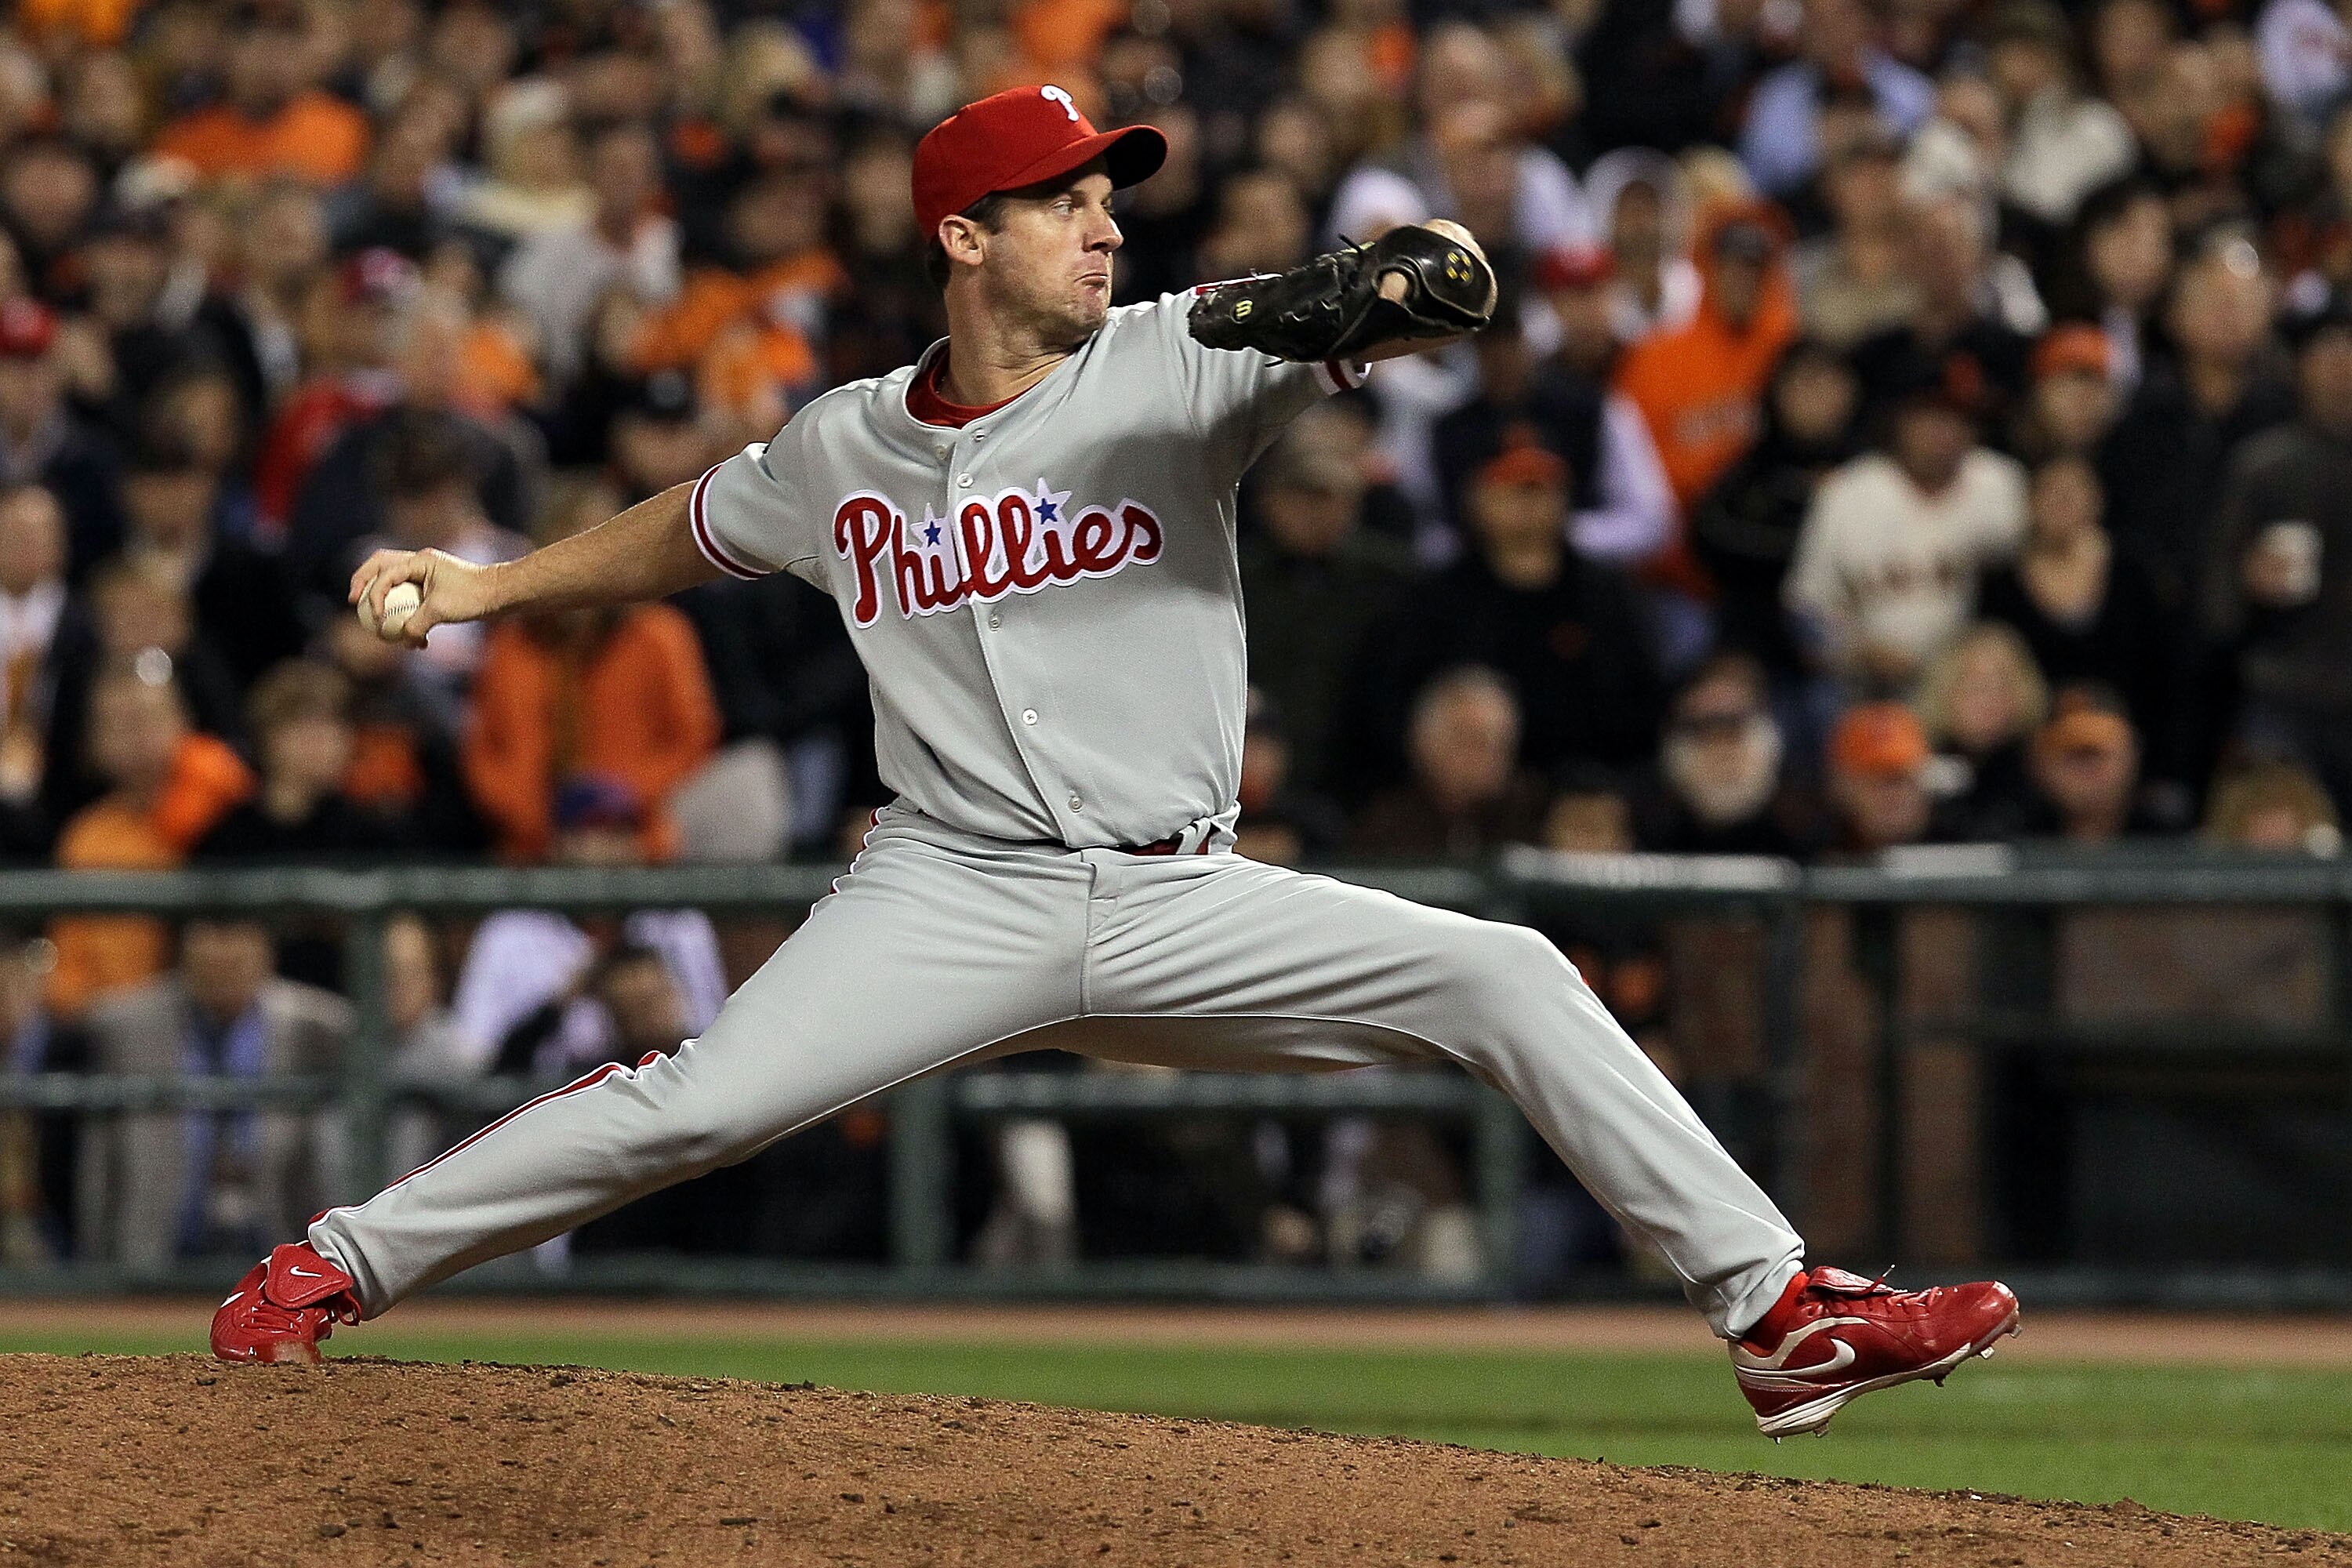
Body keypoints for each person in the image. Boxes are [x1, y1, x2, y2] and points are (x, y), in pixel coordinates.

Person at [215, 85, 2016, 1437]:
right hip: (947, 887)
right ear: (959, 237)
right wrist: (487, 585)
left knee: (1507, 972)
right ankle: (331, 1262)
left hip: (1179, 894)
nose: (1101, 228)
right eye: (1060, 203)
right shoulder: (844, 441)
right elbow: (692, 527)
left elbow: (1431, 292)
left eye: (1105, 199)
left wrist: (1376, 288)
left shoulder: (1179, 361)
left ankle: (1774, 1308)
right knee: (694, 1100)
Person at [78, 918, 350, 1272]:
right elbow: (98, 1164)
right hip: (161, 1255)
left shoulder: (321, 1029)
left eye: (237, 941)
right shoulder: (125, 1027)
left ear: (266, 953)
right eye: (212, 940)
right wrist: (96, 1265)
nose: (224, 955)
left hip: (277, 1249)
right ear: (184, 951)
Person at [2201, 300, 2352, 816]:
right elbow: (2214, 606)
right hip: (2283, 694)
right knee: (2266, 848)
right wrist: (2249, 581)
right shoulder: (2261, 468)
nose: (2342, 371)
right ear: (2300, 368)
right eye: (2327, 357)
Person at [1784, 379, 2029, 695]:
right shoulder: (1849, 492)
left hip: (1966, 687)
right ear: (1899, 423)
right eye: (1930, 418)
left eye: (1958, 420)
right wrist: (1858, 653)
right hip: (1863, 684)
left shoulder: (1999, 482)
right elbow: (1805, 609)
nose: (1944, 432)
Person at [1348, 666, 1552, 859]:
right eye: (1469, 739)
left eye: (1498, 740)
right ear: (1424, 742)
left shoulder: (1538, 820)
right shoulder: (1386, 828)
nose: (1486, 754)